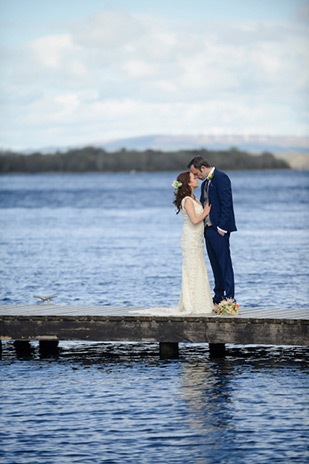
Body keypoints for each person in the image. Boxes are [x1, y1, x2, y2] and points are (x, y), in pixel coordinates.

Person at [188, 156, 237, 308]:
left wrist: (221, 228)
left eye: (196, 173)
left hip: (219, 230)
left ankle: (229, 298)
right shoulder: (204, 185)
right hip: (207, 230)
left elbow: (227, 204)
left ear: (202, 167)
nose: (196, 177)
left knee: (224, 264)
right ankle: (218, 297)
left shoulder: (221, 178)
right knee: (215, 265)